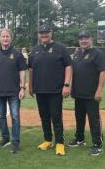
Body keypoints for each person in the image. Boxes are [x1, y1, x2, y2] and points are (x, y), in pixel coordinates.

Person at [28, 24, 72, 156]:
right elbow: (31, 69)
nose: (44, 35)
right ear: (38, 35)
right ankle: (48, 140)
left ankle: (59, 142)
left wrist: (66, 85)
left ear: (51, 33)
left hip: (55, 90)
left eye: (46, 32)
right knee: (44, 116)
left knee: (56, 116)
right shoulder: (35, 50)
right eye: (41, 33)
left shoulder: (60, 48)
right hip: (40, 89)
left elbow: (68, 66)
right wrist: (30, 86)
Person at [68, 30, 105, 156]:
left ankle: (98, 144)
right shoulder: (78, 53)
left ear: (91, 39)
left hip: (91, 93)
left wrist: (99, 90)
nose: (83, 41)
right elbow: (74, 71)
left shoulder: (98, 54)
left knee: (93, 119)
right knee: (79, 118)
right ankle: (80, 139)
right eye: (81, 39)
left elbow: (103, 72)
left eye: (86, 38)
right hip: (78, 93)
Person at [0, 28, 27, 154]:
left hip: (14, 91)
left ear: (11, 38)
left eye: (7, 36)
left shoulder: (17, 54)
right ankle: (5, 138)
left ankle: (15, 142)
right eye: (3, 36)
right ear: (0, 39)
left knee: (15, 116)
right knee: (1, 116)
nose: (5, 38)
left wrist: (22, 88)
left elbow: (22, 71)